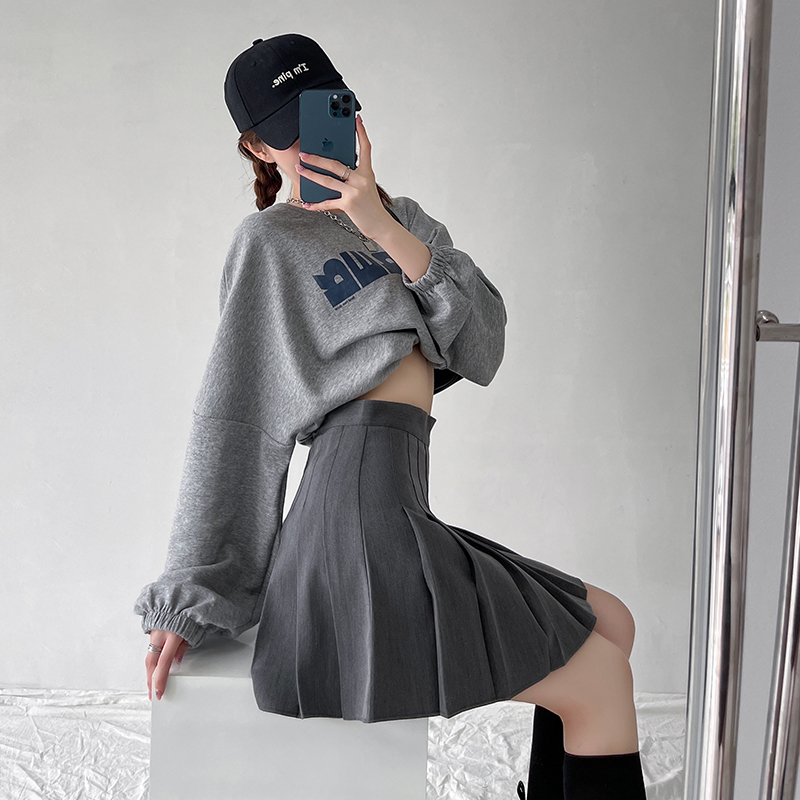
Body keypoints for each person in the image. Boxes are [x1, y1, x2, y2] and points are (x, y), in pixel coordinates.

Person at [133, 33, 647, 799]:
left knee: (612, 622)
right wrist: (190, 592)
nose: (313, 140)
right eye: (288, 130)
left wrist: (379, 224)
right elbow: (235, 421)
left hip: (400, 510)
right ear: (257, 148)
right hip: (352, 523)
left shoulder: (405, 220)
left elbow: (483, 345)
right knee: (599, 677)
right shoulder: (268, 243)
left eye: (325, 111)